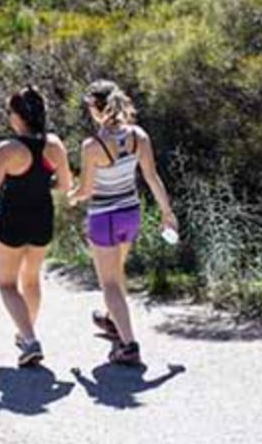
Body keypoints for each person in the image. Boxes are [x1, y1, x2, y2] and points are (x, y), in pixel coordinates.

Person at [68, 79, 177, 366]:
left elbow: (87, 190)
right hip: (131, 214)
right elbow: (152, 178)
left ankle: (128, 346)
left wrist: (71, 196)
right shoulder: (138, 136)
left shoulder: (92, 146)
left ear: (95, 108)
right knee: (117, 273)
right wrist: (167, 213)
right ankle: (113, 320)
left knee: (110, 284)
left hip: (103, 218)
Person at [0, 85, 74, 367]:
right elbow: (66, 185)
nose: (8, 117)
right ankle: (26, 335)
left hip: (13, 220)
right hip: (42, 217)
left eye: (10, 112)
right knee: (31, 279)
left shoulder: (7, 150)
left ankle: (30, 340)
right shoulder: (54, 146)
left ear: (19, 116)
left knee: (7, 284)